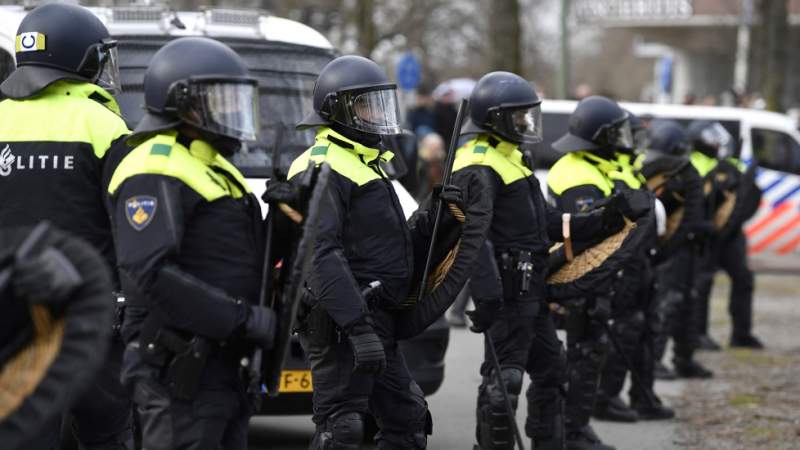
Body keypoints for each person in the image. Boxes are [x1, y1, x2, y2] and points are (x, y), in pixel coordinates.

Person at [108, 37, 276, 450]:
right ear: (183, 104)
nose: (234, 111)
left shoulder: (212, 163)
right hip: (179, 367)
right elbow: (150, 273)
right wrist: (242, 319)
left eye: (238, 100)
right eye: (222, 100)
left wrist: (286, 219)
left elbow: (231, 252)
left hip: (222, 365)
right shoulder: (154, 167)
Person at [287, 54, 455, 450]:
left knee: (408, 420)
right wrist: (357, 328)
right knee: (341, 429)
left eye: (380, 103)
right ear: (337, 109)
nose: (376, 114)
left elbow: (386, 245)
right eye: (366, 104)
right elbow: (320, 254)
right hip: (343, 322)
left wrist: (440, 215)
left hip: (376, 318)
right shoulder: (323, 164)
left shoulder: (370, 162)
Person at [455, 73, 622, 450]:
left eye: (527, 115)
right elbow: (473, 237)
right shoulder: (477, 164)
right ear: (495, 118)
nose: (526, 123)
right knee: (504, 385)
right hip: (506, 291)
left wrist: (602, 220)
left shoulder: (512, 157)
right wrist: (486, 295)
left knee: (552, 371)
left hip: (533, 288)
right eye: (518, 117)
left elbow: (545, 222)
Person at [0, 3, 133, 449]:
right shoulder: (104, 125)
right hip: (91, 315)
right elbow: (129, 226)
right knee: (106, 432)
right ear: (80, 58)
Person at [547, 96, 652, 450]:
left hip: (599, 276)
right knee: (584, 354)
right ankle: (571, 433)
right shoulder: (578, 175)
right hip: (583, 277)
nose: (623, 138)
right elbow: (587, 233)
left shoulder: (595, 165)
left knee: (591, 353)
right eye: (616, 131)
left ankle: (577, 426)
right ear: (601, 136)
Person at [592, 111, 675, 423]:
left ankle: (643, 396)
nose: (637, 145)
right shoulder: (610, 172)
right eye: (632, 137)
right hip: (624, 265)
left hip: (644, 262)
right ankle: (606, 397)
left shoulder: (630, 169)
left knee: (647, 329)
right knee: (626, 329)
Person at [687, 120, 764, 349]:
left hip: (731, 234)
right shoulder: (693, 163)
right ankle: (698, 335)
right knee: (702, 284)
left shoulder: (727, 162)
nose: (717, 140)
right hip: (706, 234)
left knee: (743, 280)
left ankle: (741, 333)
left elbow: (745, 195)